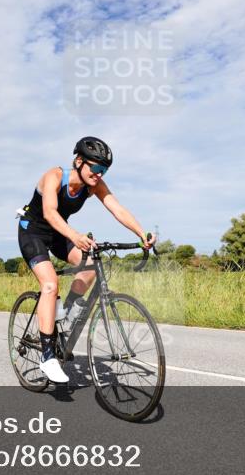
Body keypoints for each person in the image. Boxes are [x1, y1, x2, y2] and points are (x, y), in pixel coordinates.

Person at [16, 137, 155, 384]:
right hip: (33, 231)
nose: (99, 175)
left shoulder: (93, 186)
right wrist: (75, 235)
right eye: (96, 168)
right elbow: (49, 212)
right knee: (49, 284)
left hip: (59, 233)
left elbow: (117, 209)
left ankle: (66, 316)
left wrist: (141, 233)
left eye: (104, 171)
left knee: (90, 265)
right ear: (79, 161)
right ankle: (47, 357)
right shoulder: (54, 176)